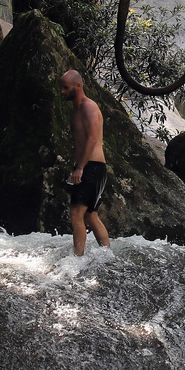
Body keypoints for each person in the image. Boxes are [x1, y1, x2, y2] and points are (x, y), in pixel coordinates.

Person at [58, 69, 111, 255]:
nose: (62, 91)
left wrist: (80, 167)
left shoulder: (88, 106)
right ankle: (107, 255)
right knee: (90, 215)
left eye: (65, 87)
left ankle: (77, 260)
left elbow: (92, 138)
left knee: (76, 213)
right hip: (91, 167)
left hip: (91, 167)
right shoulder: (77, 108)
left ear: (78, 86)